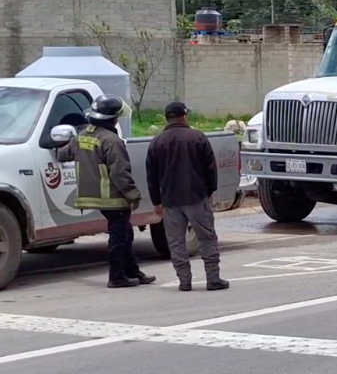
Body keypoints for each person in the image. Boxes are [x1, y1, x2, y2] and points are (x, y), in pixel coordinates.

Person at [56, 95, 155, 288]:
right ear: (112, 119)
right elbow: (120, 173)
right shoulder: (111, 141)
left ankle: (133, 271)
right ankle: (117, 277)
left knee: (125, 233)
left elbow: (62, 154)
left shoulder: (83, 136)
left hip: (92, 196)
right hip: (112, 198)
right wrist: (133, 194)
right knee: (119, 236)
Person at [146, 102, 229, 292]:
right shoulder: (197, 137)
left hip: (170, 201)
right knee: (207, 238)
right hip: (197, 197)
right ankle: (213, 279)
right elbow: (210, 168)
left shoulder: (157, 142)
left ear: (166, 118)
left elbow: (151, 176)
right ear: (184, 116)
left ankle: (184, 281)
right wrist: (209, 192)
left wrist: (157, 202)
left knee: (176, 242)